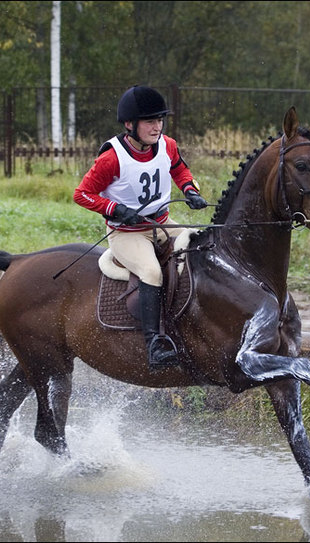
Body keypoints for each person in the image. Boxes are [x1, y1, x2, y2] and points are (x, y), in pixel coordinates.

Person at [73, 85, 208, 370]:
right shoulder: (112, 158)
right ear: (130, 124)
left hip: (162, 224)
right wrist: (116, 209)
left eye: (160, 120)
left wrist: (190, 190)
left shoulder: (167, 145)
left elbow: (180, 169)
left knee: (202, 243)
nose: (157, 126)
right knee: (150, 271)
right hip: (127, 233)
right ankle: (154, 345)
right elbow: (82, 194)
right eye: (150, 121)